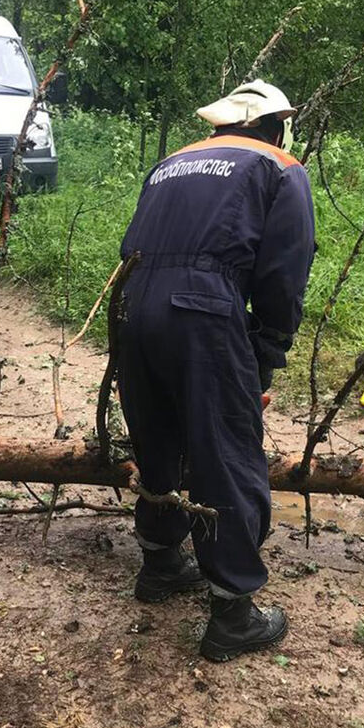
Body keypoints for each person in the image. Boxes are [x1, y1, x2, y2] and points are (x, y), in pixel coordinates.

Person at [116, 80, 316, 662]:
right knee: (226, 450)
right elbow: (283, 272)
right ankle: (233, 612)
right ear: (276, 125)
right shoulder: (279, 166)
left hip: (133, 305)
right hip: (203, 308)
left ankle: (159, 563)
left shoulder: (170, 164)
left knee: (157, 436)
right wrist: (264, 358)